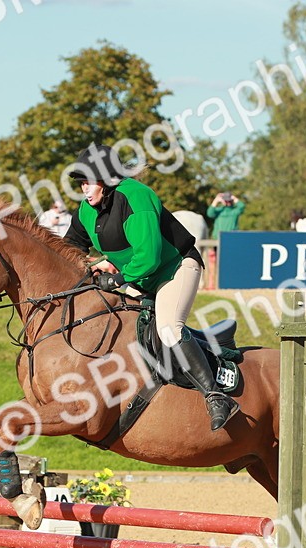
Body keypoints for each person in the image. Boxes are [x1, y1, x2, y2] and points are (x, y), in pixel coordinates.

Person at [63, 143, 238, 431]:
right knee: (121, 324)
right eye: (81, 182)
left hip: (175, 269)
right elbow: (69, 248)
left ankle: (215, 396)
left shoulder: (136, 196)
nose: (84, 189)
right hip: (140, 278)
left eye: (88, 181)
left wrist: (117, 279)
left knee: (168, 328)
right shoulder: (86, 210)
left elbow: (149, 256)